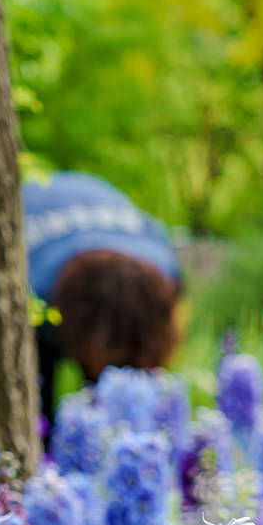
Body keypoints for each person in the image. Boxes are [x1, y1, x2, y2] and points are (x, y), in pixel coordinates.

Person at [22, 172, 184, 431]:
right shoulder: (36, 288)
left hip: (98, 213)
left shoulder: (163, 271)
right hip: (44, 244)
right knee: (37, 393)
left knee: (133, 390)